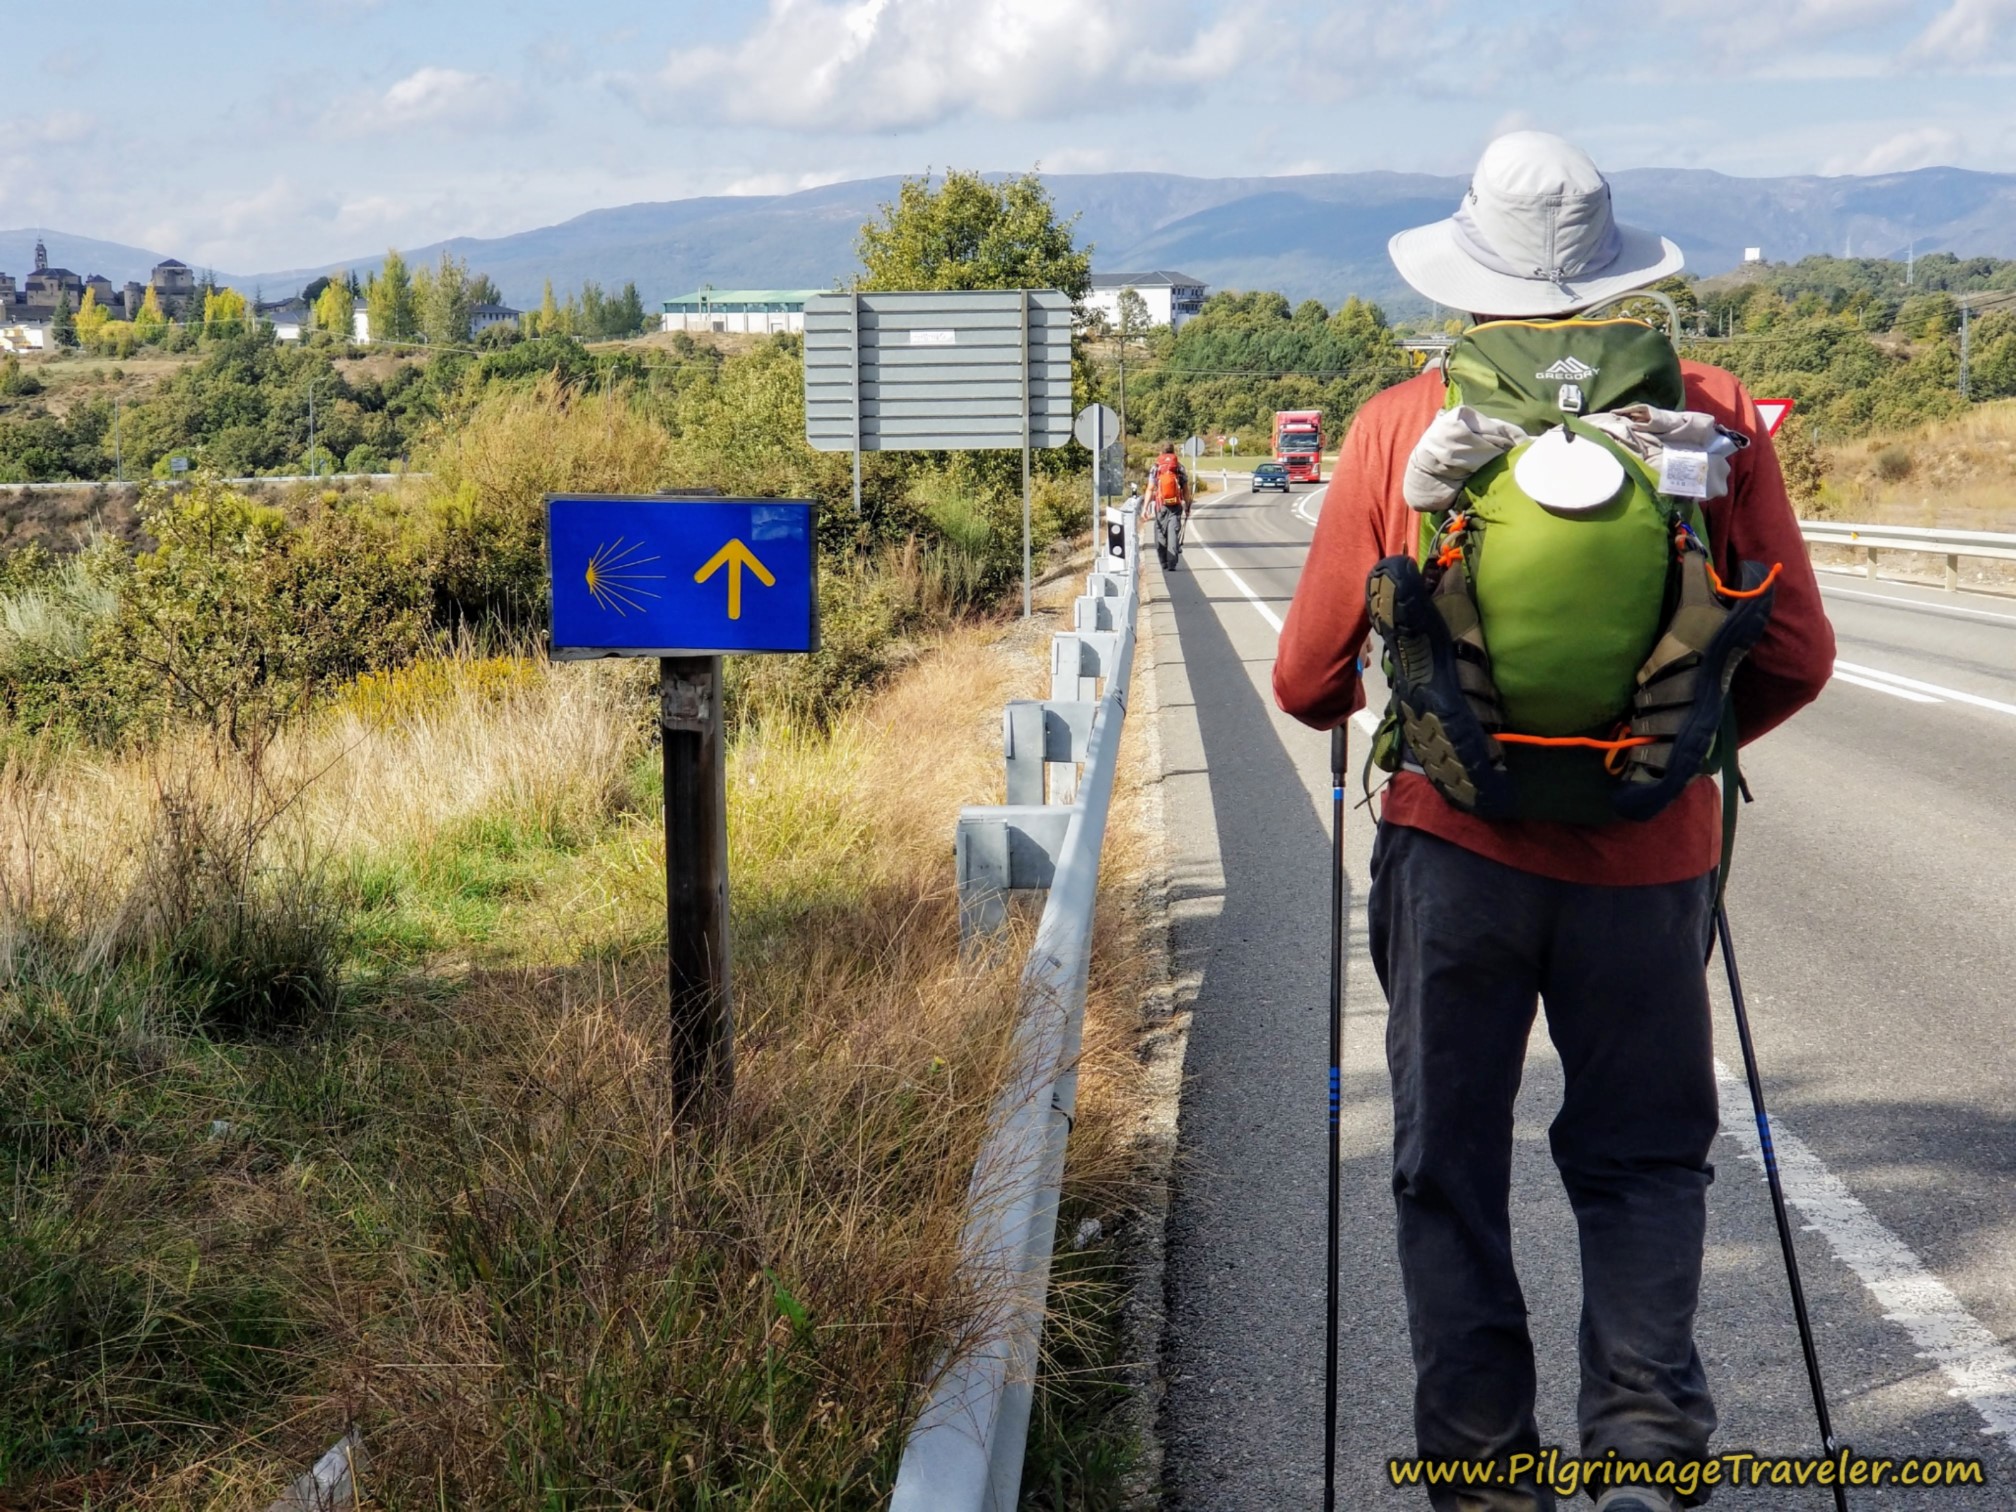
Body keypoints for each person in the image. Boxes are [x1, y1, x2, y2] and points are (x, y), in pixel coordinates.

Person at [1273, 132, 1835, 1512]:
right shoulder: (1709, 416)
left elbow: (1304, 682)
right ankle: (1644, 1445)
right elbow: (1798, 653)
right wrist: (1668, 762)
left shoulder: (1402, 422)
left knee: (1445, 1163)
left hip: (1453, 853)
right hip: (1650, 869)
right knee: (1644, 1156)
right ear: (1611, 271)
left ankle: (1484, 1470)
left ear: (1469, 274)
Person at [1143, 442, 1192, 569]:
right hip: (1175, 506)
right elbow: (1185, 490)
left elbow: (1150, 488)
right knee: (1173, 532)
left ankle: (1163, 562)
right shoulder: (1179, 467)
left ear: (1161, 453)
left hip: (1161, 506)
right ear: (1173, 452)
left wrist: (1145, 508)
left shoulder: (1156, 468)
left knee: (1160, 532)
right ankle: (1172, 564)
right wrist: (1187, 507)